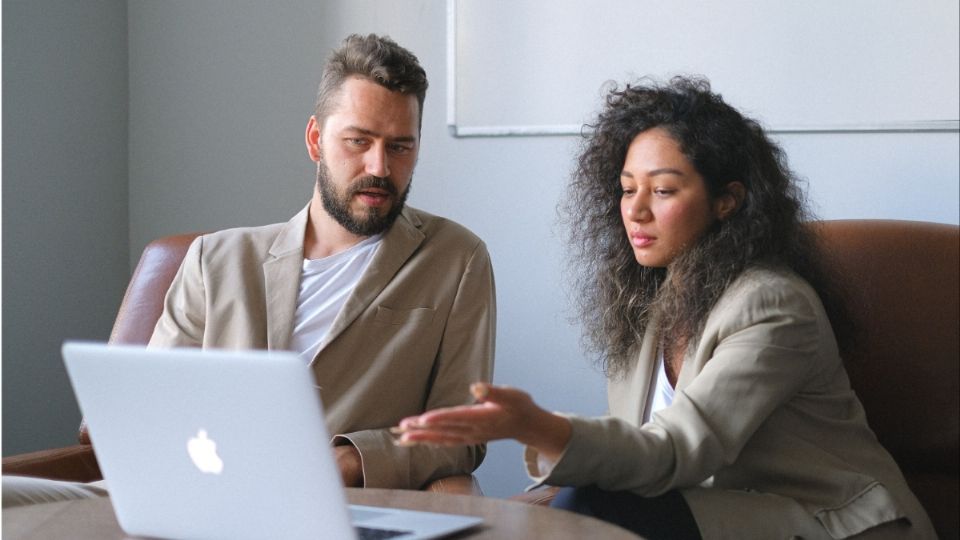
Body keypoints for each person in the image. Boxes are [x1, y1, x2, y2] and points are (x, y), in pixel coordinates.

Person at [394, 77, 935, 539]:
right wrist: (493, 518)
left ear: (728, 200)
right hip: (721, 516)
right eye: (628, 189)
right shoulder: (649, 304)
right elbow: (627, 459)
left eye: (664, 190)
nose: (637, 211)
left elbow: (676, 450)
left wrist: (536, 426)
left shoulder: (773, 305)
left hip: (831, 524)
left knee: (596, 510)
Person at [4, 33, 494, 507]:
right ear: (315, 140)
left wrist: (346, 462)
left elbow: (463, 433)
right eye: (358, 141)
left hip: (324, 505)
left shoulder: (455, 259)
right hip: (174, 492)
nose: (379, 167)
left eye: (400, 147)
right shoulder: (215, 259)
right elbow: (152, 406)